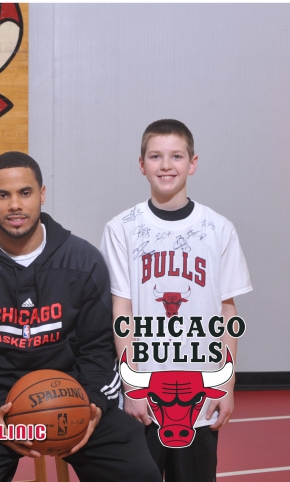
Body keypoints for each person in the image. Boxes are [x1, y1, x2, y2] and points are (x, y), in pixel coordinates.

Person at [0, 152, 162, 482]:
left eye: (25, 192)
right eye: (3, 195)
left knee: (137, 471)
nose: (15, 205)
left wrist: (92, 406)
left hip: (70, 395)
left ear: (42, 194)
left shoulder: (83, 260)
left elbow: (99, 351)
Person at [99, 119, 252, 481]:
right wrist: (133, 386)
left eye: (176, 156)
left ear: (192, 163)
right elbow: (121, 312)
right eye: (156, 156)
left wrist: (225, 384)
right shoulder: (121, 229)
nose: (166, 165)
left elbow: (228, 313)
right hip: (145, 394)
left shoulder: (218, 229)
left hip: (200, 391)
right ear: (142, 165)